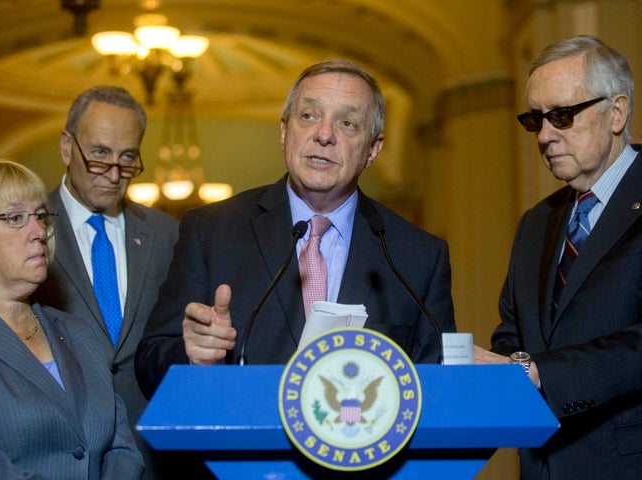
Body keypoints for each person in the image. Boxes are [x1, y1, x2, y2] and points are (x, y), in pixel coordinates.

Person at [135, 59, 457, 399]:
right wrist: (192, 355)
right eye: (309, 116)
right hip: (239, 449)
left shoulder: (418, 256)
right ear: (285, 131)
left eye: (348, 123)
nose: (324, 134)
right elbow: (149, 364)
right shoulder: (210, 231)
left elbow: (438, 390)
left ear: (373, 150)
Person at [474, 35, 642, 479]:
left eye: (563, 116)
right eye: (536, 119)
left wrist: (538, 372)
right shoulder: (536, 223)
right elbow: (512, 337)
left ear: (617, 112)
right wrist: (495, 368)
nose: (545, 136)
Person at [0, 160, 144, 479]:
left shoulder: (79, 333)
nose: (39, 231)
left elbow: (122, 449)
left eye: (40, 215)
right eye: (15, 218)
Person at [32, 85, 180, 479]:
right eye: (99, 154)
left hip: (152, 455)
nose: (114, 175)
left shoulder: (168, 236)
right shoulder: (27, 229)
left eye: (128, 158)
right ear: (67, 148)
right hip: (57, 454)